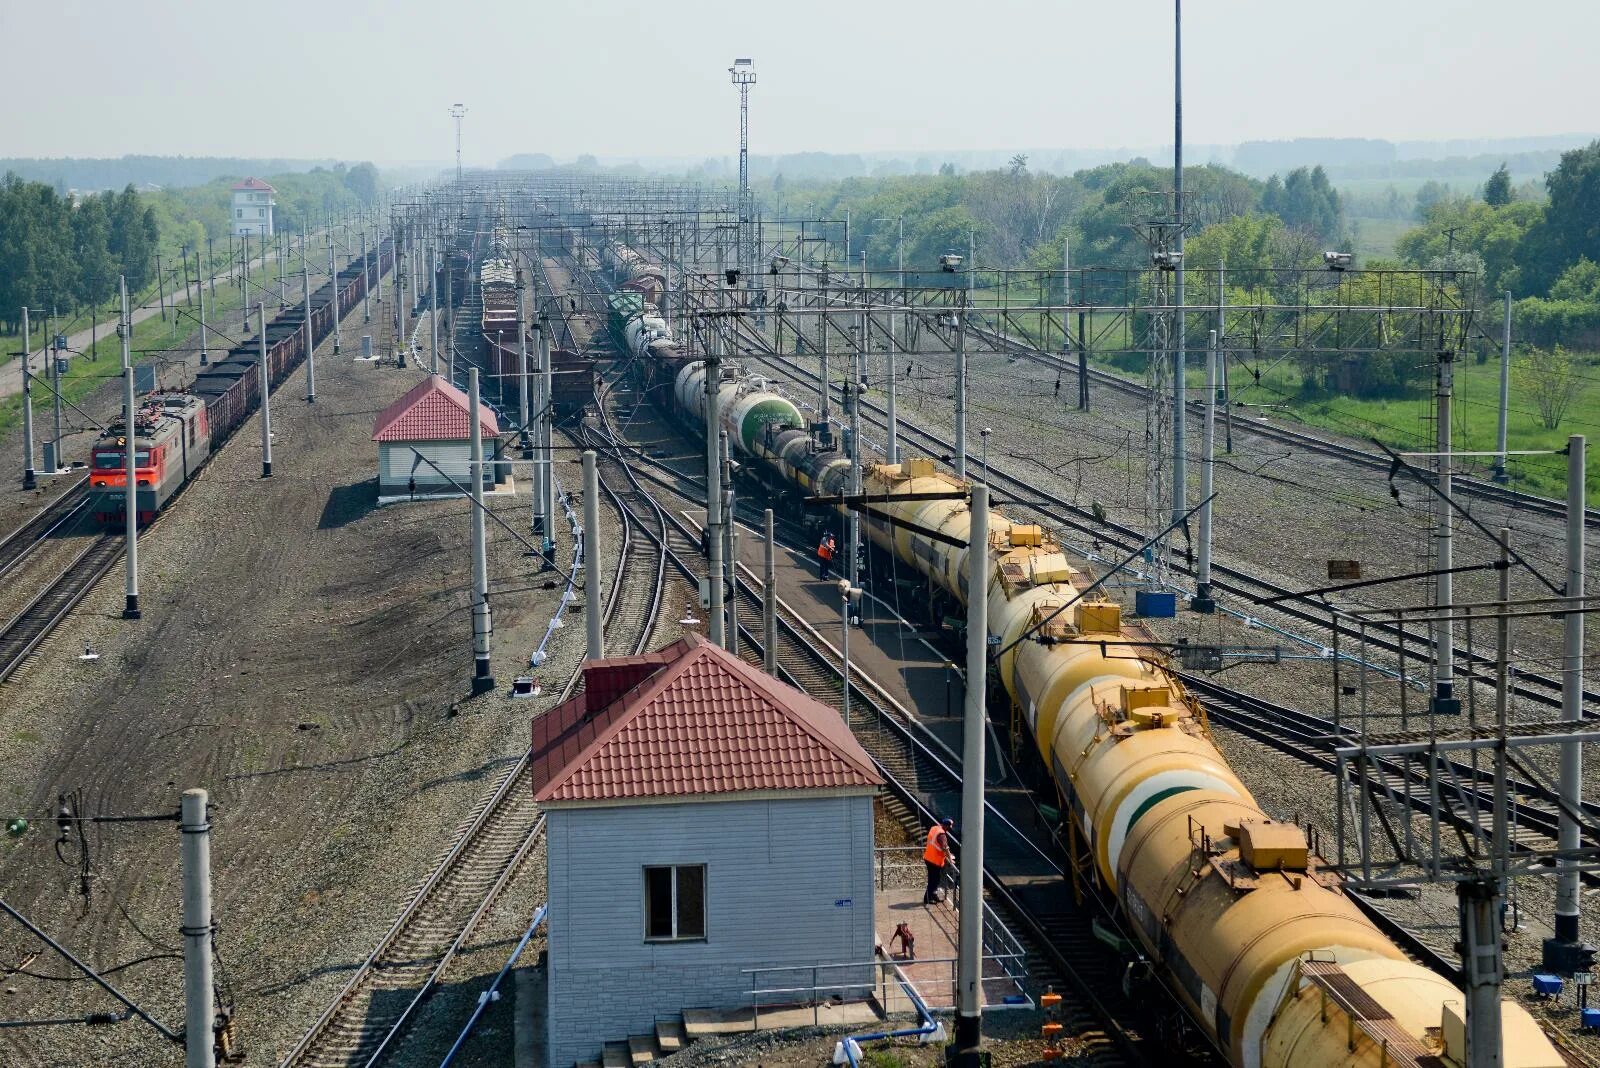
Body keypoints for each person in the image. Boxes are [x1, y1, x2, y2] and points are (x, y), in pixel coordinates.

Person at [923, 818, 953, 905]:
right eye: (948, 828)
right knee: (934, 880)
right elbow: (945, 847)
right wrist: (950, 859)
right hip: (934, 861)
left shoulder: (934, 828)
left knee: (935, 879)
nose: (949, 830)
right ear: (946, 826)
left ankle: (933, 896)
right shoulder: (942, 834)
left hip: (929, 857)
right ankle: (928, 898)